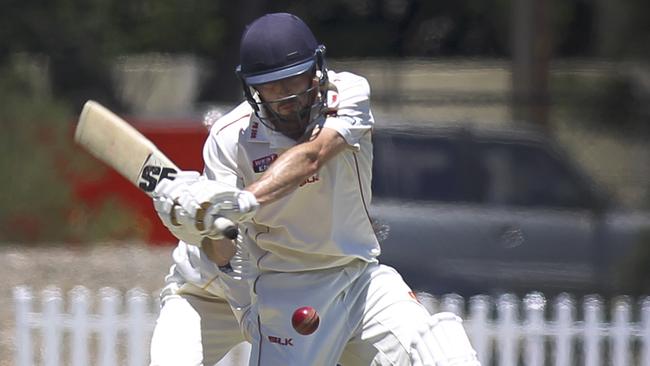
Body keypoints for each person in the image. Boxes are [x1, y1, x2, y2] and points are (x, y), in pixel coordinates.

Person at [153, 12, 480, 365]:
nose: (286, 97)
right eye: (272, 87)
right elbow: (224, 252)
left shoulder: (348, 93)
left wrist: (244, 199)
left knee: (444, 354)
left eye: (294, 81)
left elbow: (312, 156)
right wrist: (195, 222)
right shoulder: (230, 138)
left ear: (317, 71)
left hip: (356, 278)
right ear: (253, 89)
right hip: (256, 285)